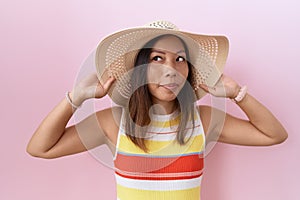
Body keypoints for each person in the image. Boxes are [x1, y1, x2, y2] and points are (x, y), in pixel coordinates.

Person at [26, 21, 288, 200]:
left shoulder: (203, 120)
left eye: (180, 59)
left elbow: (273, 135)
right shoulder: (114, 122)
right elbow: (40, 148)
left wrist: (237, 94)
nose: (170, 69)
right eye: (157, 58)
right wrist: (76, 97)